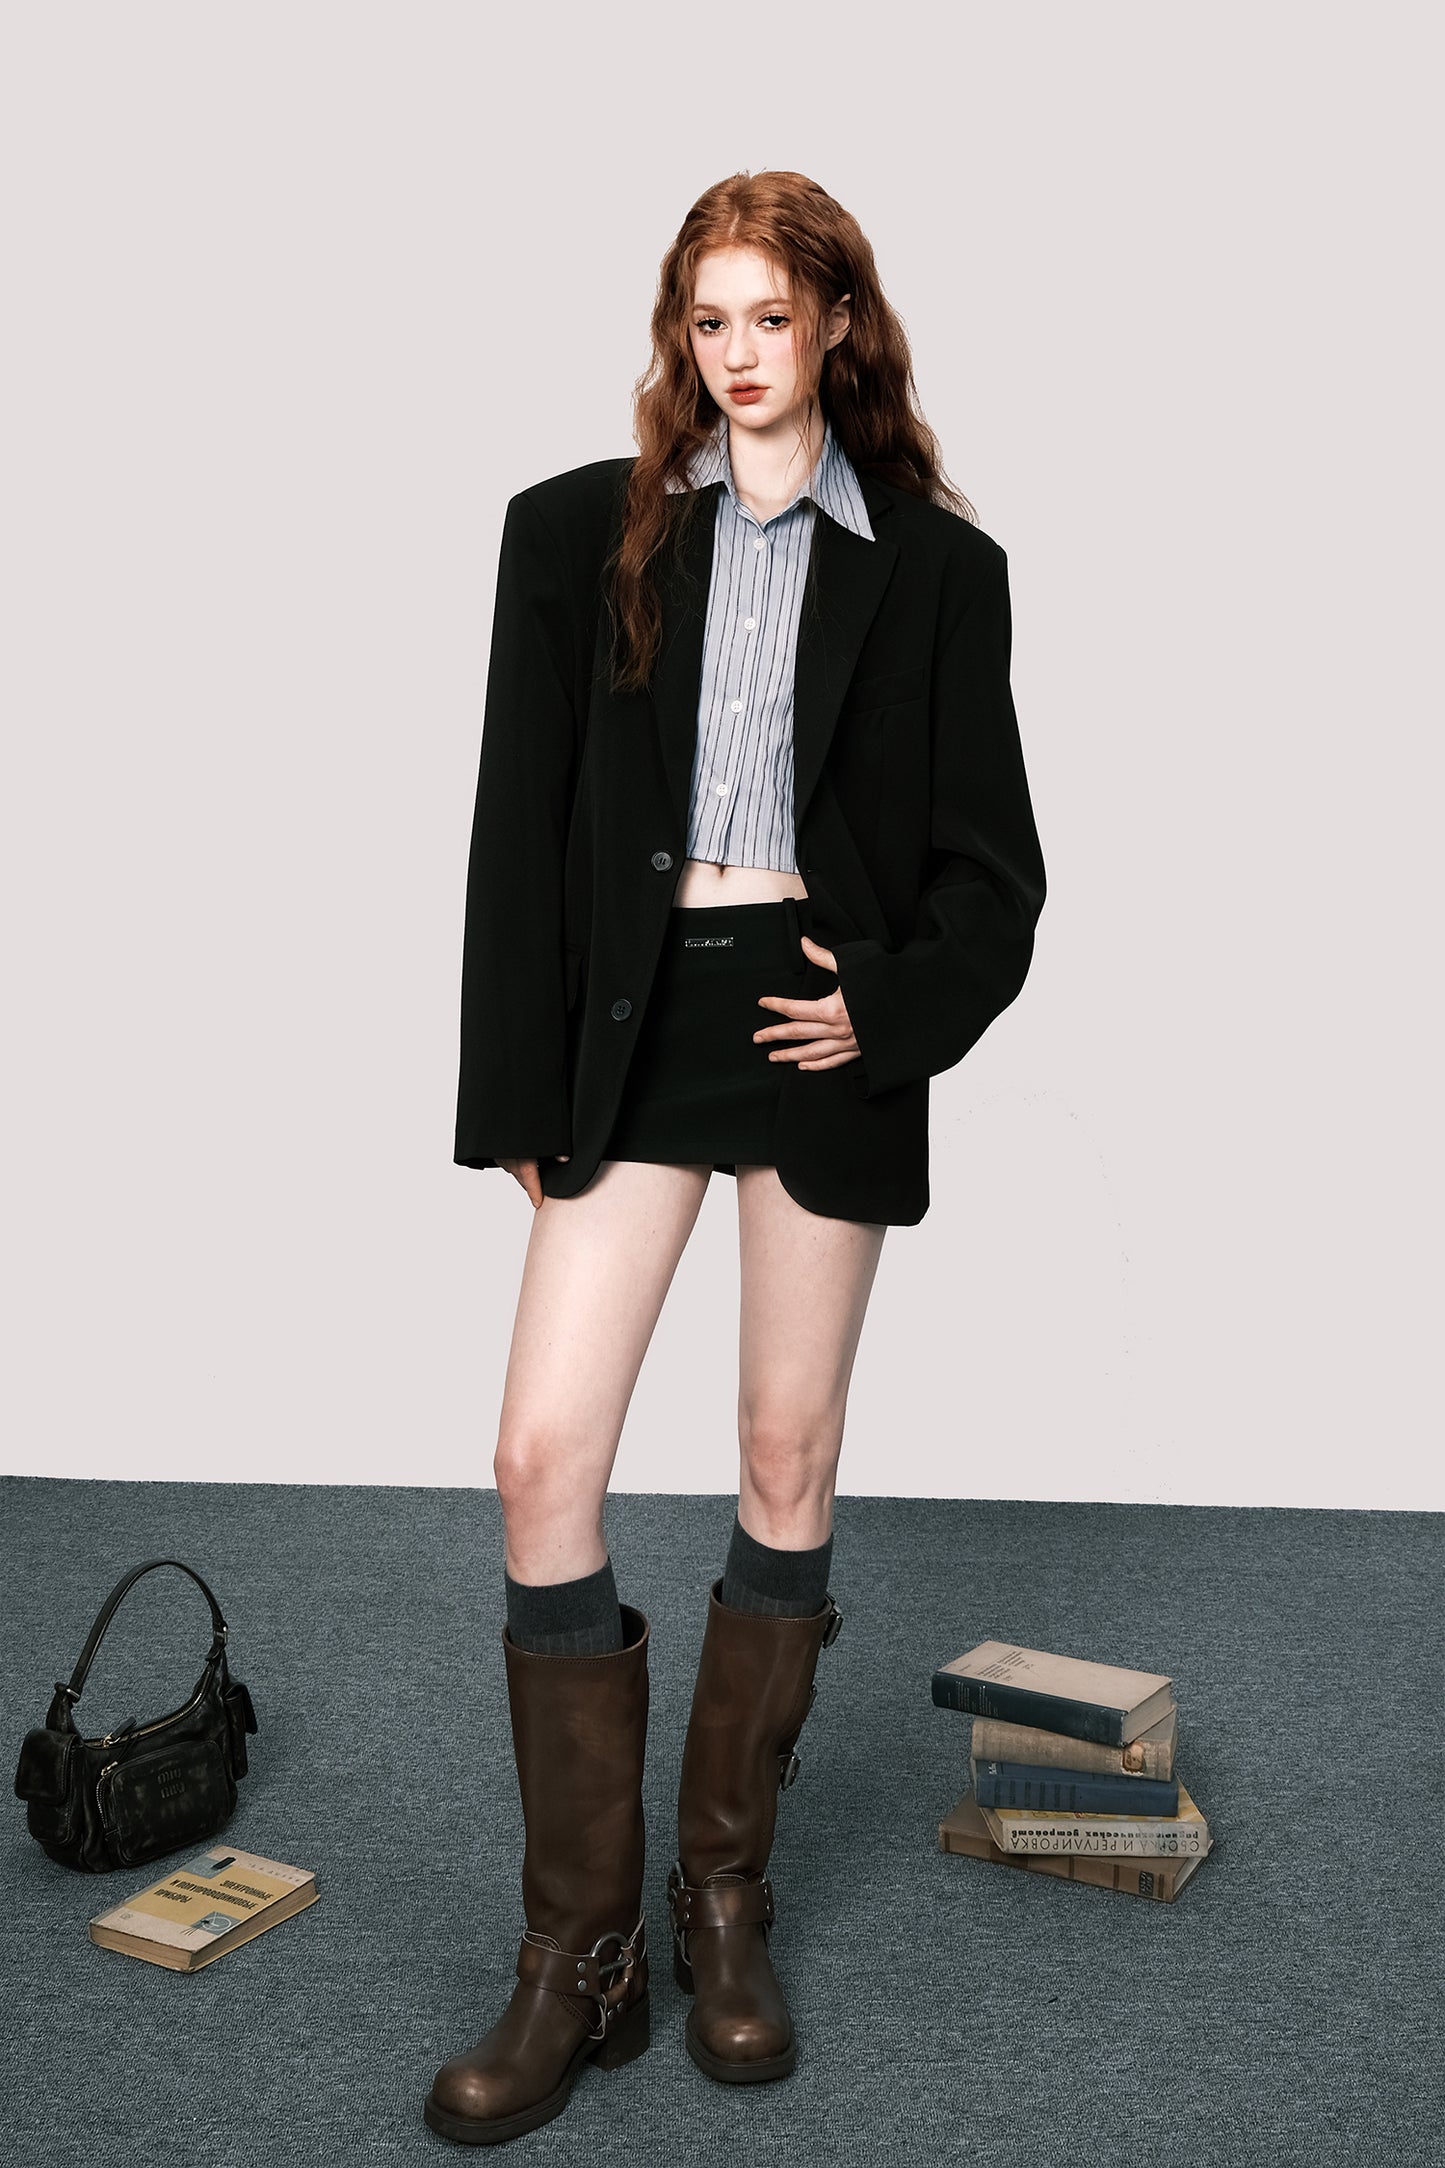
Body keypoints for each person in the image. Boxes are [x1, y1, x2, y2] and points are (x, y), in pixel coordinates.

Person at [423, 169, 1046, 2146]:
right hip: (631, 1026)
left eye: (772, 314)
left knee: (785, 1455)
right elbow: (518, 828)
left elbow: (993, 876)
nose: (738, 352)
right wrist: (514, 1093)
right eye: (708, 319)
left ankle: (721, 1899)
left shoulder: (936, 568)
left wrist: (887, 1007)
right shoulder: (575, 534)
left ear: (839, 322)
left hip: (811, 1023)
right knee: (541, 1457)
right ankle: (577, 1950)